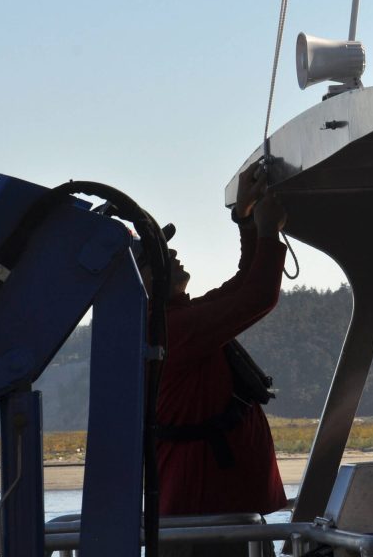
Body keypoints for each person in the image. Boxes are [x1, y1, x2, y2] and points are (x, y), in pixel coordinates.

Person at [156, 162, 288, 536]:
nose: (173, 253)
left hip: (212, 507)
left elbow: (244, 282)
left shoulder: (172, 319)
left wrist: (245, 218)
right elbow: (258, 295)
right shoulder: (172, 328)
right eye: (158, 255)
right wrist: (266, 230)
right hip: (207, 514)